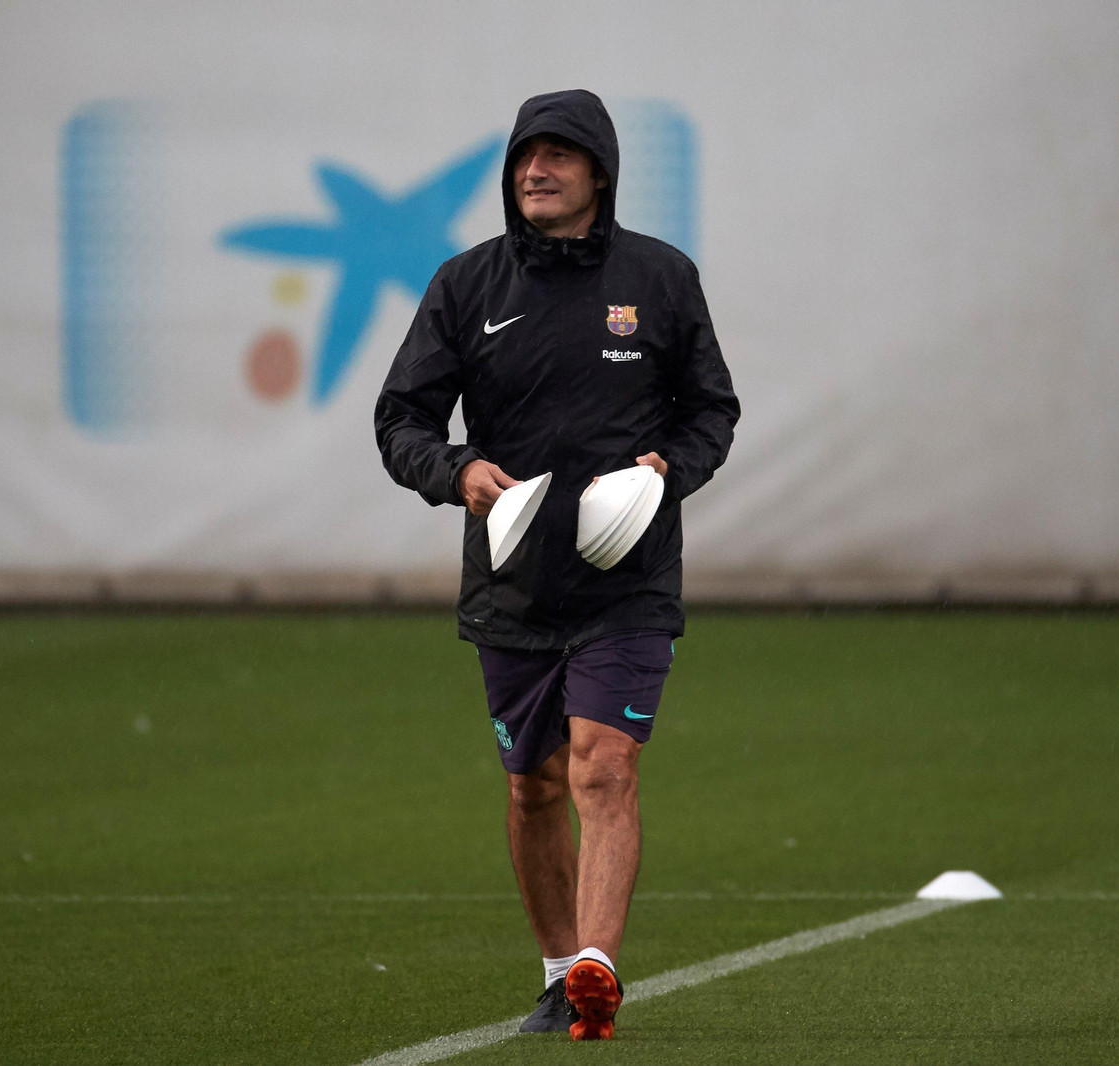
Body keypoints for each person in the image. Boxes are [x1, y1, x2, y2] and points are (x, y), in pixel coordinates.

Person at [374, 89, 738, 1041]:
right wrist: (457, 471)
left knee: (604, 769)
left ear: (600, 173)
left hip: (629, 580)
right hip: (511, 582)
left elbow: (711, 411)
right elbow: (400, 419)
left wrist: (671, 471)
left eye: (559, 156)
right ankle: (553, 969)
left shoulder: (661, 278)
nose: (536, 170)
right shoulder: (467, 286)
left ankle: (596, 970)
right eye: (524, 157)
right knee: (531, 785)